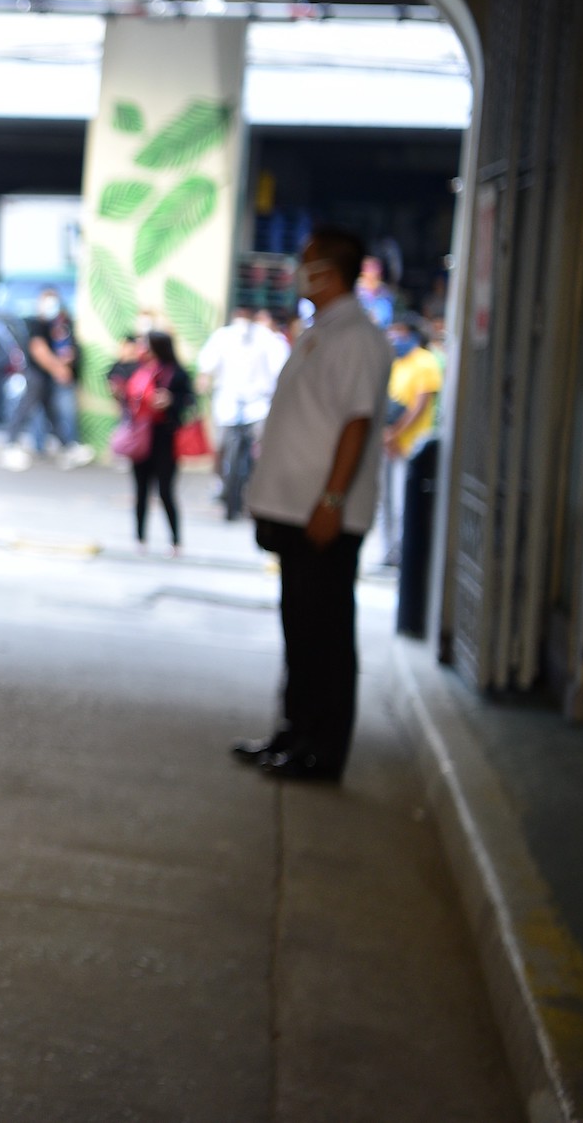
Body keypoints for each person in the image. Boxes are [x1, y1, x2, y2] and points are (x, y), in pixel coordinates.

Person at [233, 226, 393, 782]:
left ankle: (321, 750)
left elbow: (356, 423)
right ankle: (293, 732)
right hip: (295, 508)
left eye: (307, 263)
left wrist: (331, 499)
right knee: (299, 628)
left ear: (329, 271)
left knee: (324, 633)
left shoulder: (357, 338)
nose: (298, 272)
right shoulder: (320, 330)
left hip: (324, 513)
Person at [194, 306, 290, 520]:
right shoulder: (223, 337)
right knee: (222, 446)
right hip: (228, 404)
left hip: (258, 406)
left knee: (262, 450)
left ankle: (258, 489)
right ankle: (220, 485)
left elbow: (280, 370)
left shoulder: (268, 339)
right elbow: (207, 363)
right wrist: (203, 378)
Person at [374, 314, 443, 567]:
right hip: (387, 442)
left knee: (403, 502)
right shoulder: (394, 361)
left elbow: (421, 404)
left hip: (411, 443)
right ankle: (388, 553)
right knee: (386, 502)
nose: (395, 337)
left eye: (400, 332)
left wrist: (396, 433)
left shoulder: (425, 362)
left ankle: (404, 554)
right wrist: (385, 434)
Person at [118, 331, 194, 556]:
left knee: (165, 491)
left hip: (164, 439)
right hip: (140, 437)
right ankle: (140, 539)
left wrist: (171, 401)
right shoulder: (135, 369)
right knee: (140, 491)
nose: (142, 349)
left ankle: (175, 541)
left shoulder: (176, 374)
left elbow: (188, 402)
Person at [0, 286, 91, 470]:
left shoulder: (57, 324)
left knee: (52, 413)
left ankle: (67, 446)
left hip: (47, 377)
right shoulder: (35, 324)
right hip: (36, 375)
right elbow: (38, 349)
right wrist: (58, 368)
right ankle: (10, 445)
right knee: (25, 409)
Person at [355, 255, 396, 328]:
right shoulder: (354, 292)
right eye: (370, 269)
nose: (374, 272)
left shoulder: (386, 292)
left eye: (377, 268)